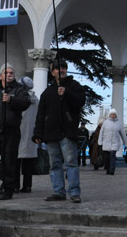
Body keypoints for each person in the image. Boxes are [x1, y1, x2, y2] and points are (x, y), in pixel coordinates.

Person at [33, 60, 86, 203]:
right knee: (54, 164)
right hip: (51, 133)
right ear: (52, 72)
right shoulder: (47, 92)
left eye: (63, 68)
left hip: (67, 132)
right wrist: (38, 133)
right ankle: (58, 191)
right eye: (57, 68)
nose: (60, 70)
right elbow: (41, 114)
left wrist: (66, 93)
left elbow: (80, 101)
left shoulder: (74, 86)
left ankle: (74, 192)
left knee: (71, 163)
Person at [0, 64, 30, 200]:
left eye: (11, 73)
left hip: (11, 130)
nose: (9, 75)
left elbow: (25, 102)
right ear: (0, 75)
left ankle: (7, 189)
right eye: (6, 72)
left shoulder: (19, 89)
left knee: (9, 162)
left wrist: (11, 99)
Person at [16, 76, 39, 193]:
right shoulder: (36, 100)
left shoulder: (19, 99)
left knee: (15, 161)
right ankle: (27, 186)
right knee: (28, 163)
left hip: (18, 132)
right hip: (31, 134)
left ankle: (14, 185)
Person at [98, 109, 127, 175]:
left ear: (116, 115)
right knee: (107, 158)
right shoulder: (105, 123)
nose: (113, 116)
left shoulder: (119, 123)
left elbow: (123, 134)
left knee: (112, 155)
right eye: (112, 114)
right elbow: (101, 133)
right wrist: (100, 142)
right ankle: (108, 170)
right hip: (106, 143)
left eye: (114, 114)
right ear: (110, 115)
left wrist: (126, 143)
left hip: (115, 143)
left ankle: (112, 170)